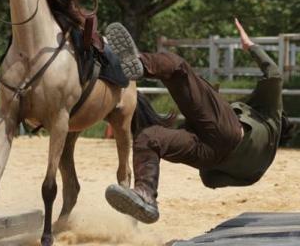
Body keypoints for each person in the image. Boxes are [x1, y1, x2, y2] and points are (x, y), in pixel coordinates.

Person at [104, 19, 285, 224]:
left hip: (226, 134)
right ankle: (145, 195)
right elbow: (212, 181)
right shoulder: (258, 168)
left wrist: (250, 46)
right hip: (210, 157)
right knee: (149, 139)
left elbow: (275, 75)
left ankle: (141, 64)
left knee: (179, 69)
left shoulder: (271, 115)